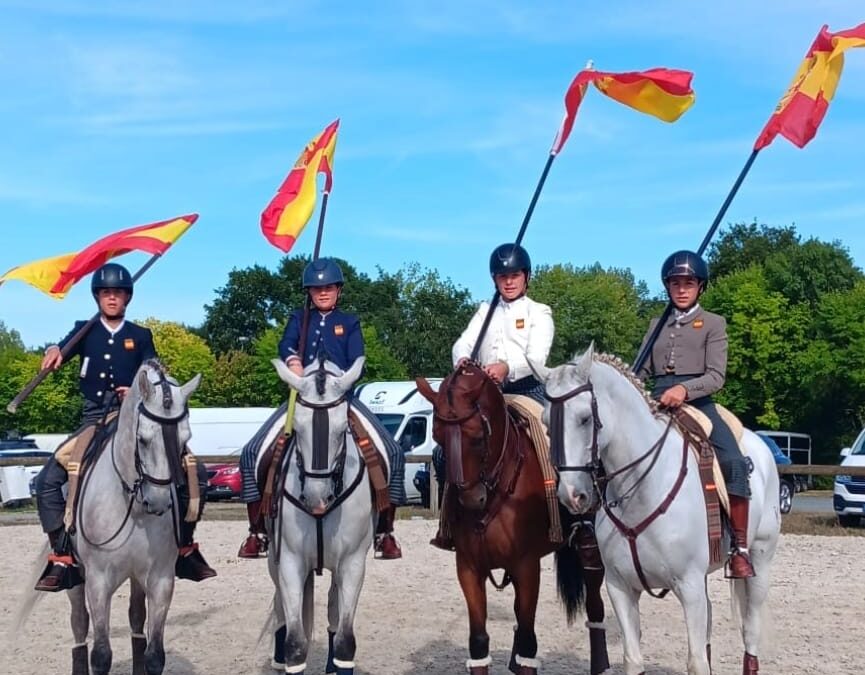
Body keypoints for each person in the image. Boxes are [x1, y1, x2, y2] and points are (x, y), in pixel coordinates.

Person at [33, 262, 216, 591]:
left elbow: (156, 375)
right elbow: (61, 352)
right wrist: (54, 349)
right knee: (49, 479)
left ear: (127, 298)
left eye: (118, 293)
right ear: (97, 298)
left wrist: (136, 390)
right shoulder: (83, 329)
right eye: (106, 293)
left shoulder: (140, 335)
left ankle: (185, 547)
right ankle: (61, 554)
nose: (112, 298)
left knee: (194, 471)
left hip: (135, 419)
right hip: (94, 419)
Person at [237, 258, 406, 560]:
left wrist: (338, 381)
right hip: (301, 398)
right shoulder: (298, 318)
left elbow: (358, 359)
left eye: (328, 287)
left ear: (338, 290)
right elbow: (286, 346)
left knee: (392, 451)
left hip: (341, 399)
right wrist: (293, 362)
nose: (322, 293)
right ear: (309, 292)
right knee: (251, 452)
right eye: (316, 289)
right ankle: (257, 530)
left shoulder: (350, 322)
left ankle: (385, 531)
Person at [636, 250, 754, 578]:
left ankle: (740, 547)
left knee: (732, 460)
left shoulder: (714, 323)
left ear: (700, 287)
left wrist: (685, 391)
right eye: (675, 283)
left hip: (698, 401)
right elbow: (641, 370)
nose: (682, 289)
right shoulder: (655, 324)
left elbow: (717, 376)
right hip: (657, 399)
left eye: (689, 283)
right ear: (667, 287)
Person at [430, 243, 554, 550]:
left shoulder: (539, 312)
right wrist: (462, 360)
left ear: (526, 277)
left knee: (548, 442)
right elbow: (462, 344)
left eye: (514, 275)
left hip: (525, 391)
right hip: (486, 397)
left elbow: (537, 358)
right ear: (494, 279)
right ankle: (449, 522)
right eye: (502, 276)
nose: (509, 282)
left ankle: (558, 515)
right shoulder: (485, 311)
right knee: (448, 447)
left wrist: (508, 368)